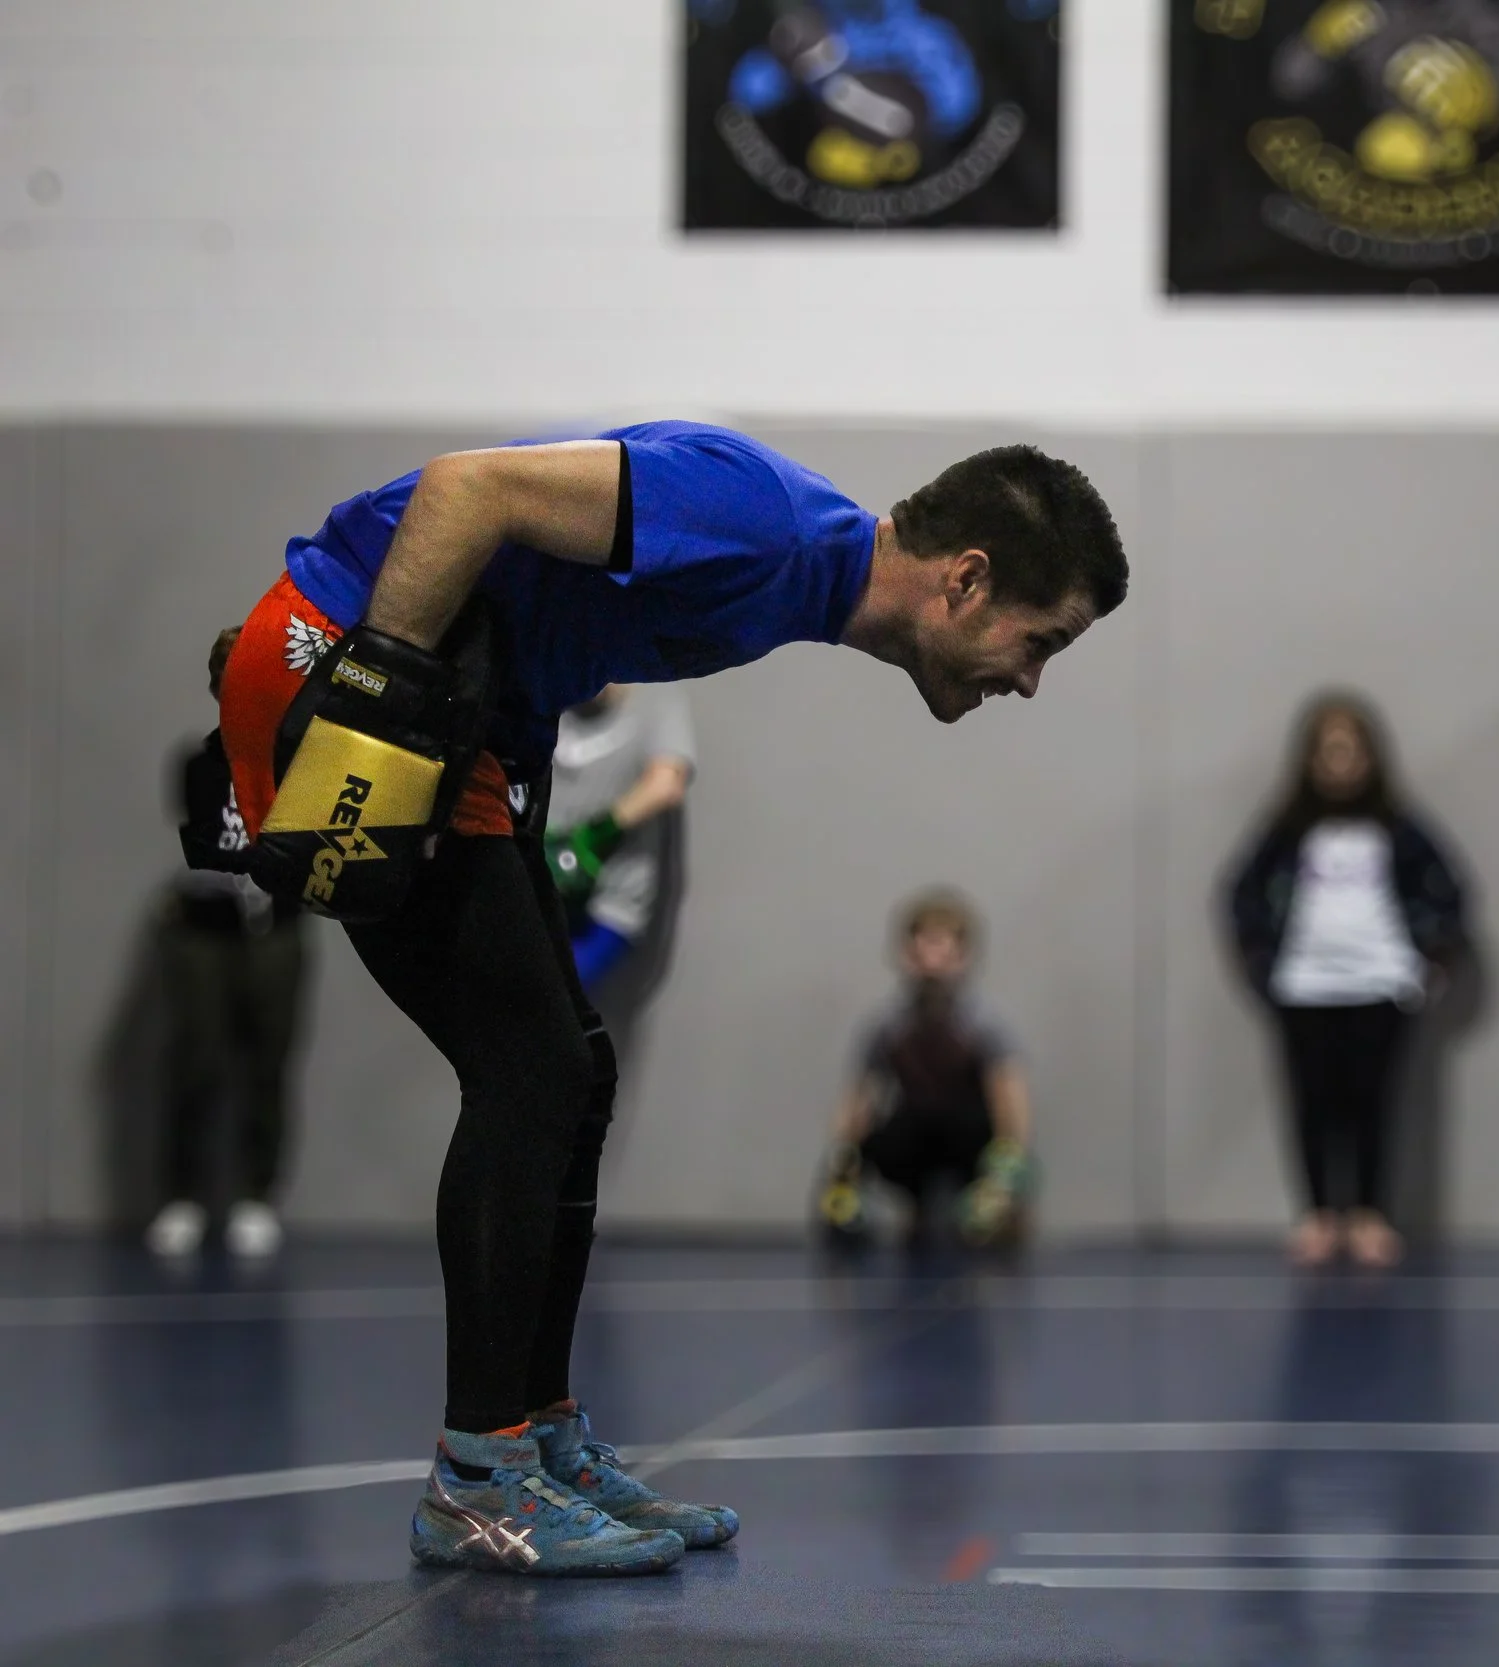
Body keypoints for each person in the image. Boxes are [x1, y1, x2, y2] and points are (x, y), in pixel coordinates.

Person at [209, 424, 1125, 1576]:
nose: (1030, 680)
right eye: (1039, 643)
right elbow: (466, 489)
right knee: (529, 1067)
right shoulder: (762, 517)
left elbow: (537, 609)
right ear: (968, 578)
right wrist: (374, 686)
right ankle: (480, 1479)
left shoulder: (798, 575)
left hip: (465, 719)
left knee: (572, 1066)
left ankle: (534, 1439)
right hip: (351, 671)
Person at [1226, 694, 1469, 1270]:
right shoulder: (1285, 832)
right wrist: (1262, 961)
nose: (1340, 762)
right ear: (1309, 759)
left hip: (1380, 985)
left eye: (1350, 750)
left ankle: (1368, 1212)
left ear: (1371, 757)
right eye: (1328, 751)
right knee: (1311, 1102)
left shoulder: (1400, 829)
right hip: (1302, 987)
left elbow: (1450, 893)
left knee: (1372, 1101)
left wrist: (1429, 961)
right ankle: (1317, 1214)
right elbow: (1241, 897)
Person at [150, 627, 309, 1261]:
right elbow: (200, 845)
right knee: (197, 1056)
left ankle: (254, 1194)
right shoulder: (200, 763)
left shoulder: (301, 760)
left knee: (269, 1059)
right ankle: (184, 1195)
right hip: (207, 931)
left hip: (275, 927)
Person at [818, 890, 1034, 1251]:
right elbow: (859, 1098)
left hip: (970, 1137)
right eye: (923, 949)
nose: (933, 962)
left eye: (943, 949)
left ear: (962, 955)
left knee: (995, 1165)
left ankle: (993, 1205)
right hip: (917, 1133)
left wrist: (1006, 1169)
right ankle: (913, 1208)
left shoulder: (984, 1025)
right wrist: (842, 1162)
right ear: (906, 953)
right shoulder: (887, 1026)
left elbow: (1011, 1098)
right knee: (874, 1145)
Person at [544, 685, 695, 1027]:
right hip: (541, 885)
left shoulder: (656, 697)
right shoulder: (557, 683)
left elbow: (667, 781)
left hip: (607, 906)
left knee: (553, 1004)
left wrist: (593, 837)